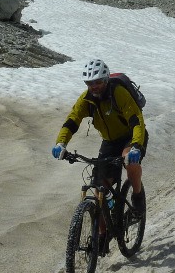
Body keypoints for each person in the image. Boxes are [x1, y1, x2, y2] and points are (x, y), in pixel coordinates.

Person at [52, 58, 147, 219]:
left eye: (98, 82)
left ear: (106, 79)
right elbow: (72, 120)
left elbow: (136, 120)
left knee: (129, 160)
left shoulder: (118, 93)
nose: (94, 86)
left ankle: (137, 197)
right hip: (110, 142)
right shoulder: (86, 99)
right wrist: (61, 143)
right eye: (89, 83)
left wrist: (136, 146)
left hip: (131, 136)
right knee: (99, 191)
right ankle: (102, 238)